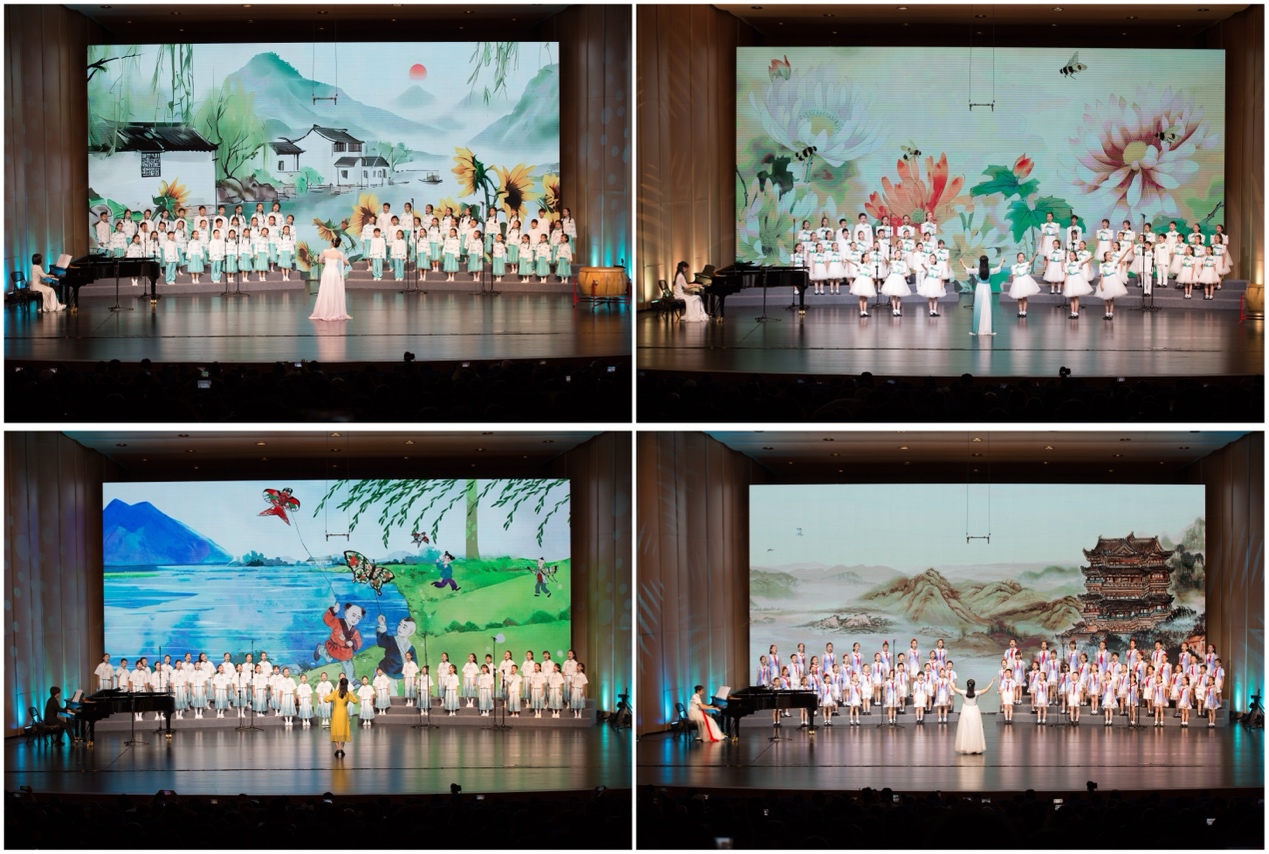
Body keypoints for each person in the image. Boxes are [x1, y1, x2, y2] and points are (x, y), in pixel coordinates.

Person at [310, 237, 352, 321]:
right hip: (334, 273)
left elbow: (319, 261)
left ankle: (324, 311)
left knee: (325, 290)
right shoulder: (339, 254)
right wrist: (344, 262)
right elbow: (347, 262)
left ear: (332, 243)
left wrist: (325, 262)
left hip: (327, 272)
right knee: (334, 291)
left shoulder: (325, 252)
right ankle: (334, 311)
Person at [961, 255, 1004, 335]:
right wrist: (1002, 261)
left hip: (979, 288)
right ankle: (988, 329)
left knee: (978, 307)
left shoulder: (977, 270)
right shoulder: (990, 270)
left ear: (980, 262)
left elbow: (967, 269)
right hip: (987, 288)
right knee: (987, 307)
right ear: (987, 262)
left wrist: (962, 262)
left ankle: (977, 330)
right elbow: (999, 268)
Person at [950, 678, 994, 754]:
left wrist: (949, 681)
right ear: (974, 685)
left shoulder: (963, 692)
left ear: (967, 685)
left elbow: (954, 688)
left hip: (965, 711)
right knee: (975, 729)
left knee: (965, 729)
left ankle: (965, 746)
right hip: (974, 711)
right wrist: (991, 682)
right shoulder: (976, 693)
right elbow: (986, 689)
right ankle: (975, 747)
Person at [327, 676, 357, 757]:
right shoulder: (347, 694)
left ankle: (337, 749)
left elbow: (326, 699)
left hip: (336, 713)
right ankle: (342, 749)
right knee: (343, 730)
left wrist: (327, 695)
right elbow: (355, 701)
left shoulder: (335, 692)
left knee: (336, 730)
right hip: (343, 713)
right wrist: (352, 695)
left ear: (339, 684)